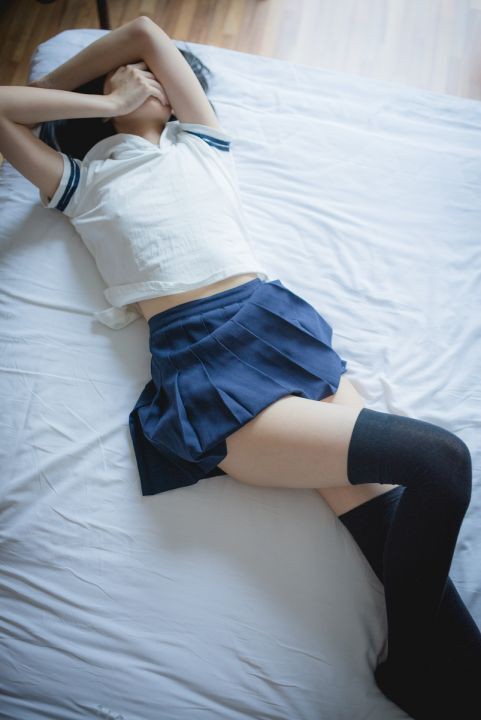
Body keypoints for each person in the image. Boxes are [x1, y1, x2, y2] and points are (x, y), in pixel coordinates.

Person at [0, 15, 479, 718]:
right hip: (210, 371)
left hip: (279, 330)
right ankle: (406, 661)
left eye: (157, 77)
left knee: (397, 533)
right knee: (440, 460)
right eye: (129, 79)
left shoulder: (201, 143)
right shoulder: (83, 181)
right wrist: (96, 100)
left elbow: (145, 31)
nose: (148, 79)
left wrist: (128, 81)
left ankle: (442, 681)